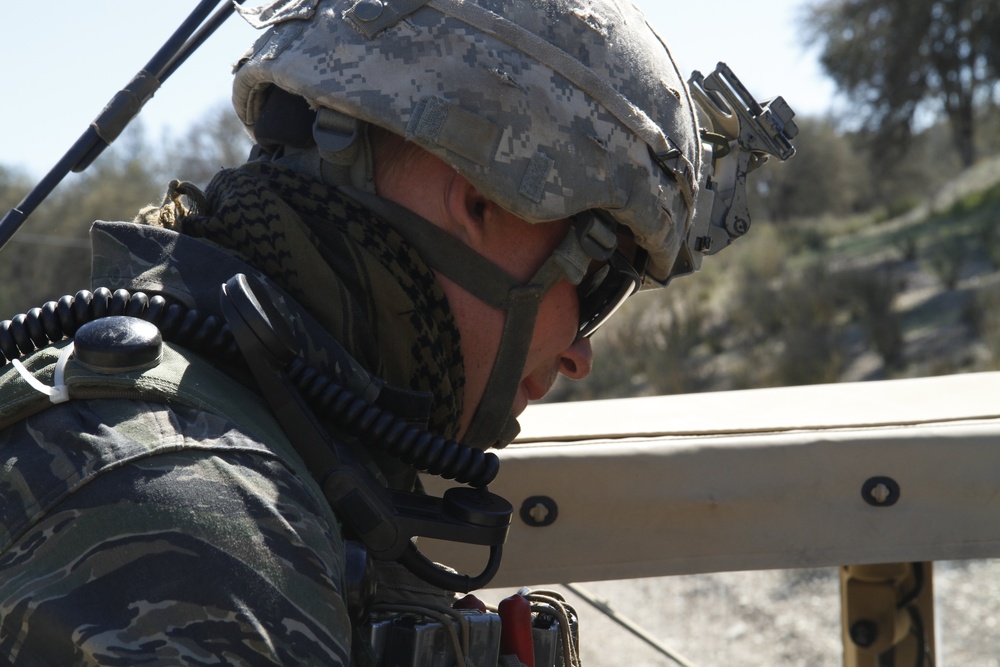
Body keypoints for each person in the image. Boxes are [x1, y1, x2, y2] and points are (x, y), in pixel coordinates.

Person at [0, 0, 795, 664]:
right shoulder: (189, 515)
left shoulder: (264, 425)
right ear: (485, 201)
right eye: (598, 281)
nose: (580, 353)